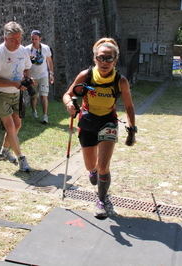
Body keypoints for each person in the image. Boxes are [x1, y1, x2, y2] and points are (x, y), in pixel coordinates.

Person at [63, 37, 137, 218]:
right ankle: (92, 171)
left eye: (109, 58)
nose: (104, 62)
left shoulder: (121, 81)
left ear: (115, 60)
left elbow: (128, 106)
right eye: (100, 58)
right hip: (88, 120)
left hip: (108, 121)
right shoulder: (85, 75)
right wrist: (69, 105)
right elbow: (68, 94)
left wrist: (132, 130)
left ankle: (102, 201)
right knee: (91, 166)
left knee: (103, 166)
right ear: (95, 58)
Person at [0, 21, 35, 172]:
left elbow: (27, 68)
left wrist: (27, 78)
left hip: (16, 93)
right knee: (10, 126)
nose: (17, 42)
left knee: (17, 125)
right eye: (13, 39)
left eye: (19, 38)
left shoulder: (22, 51)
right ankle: (21, 158)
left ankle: (4, 151)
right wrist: (14, 83)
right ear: (5, 38)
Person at [25, 30, 54, 124]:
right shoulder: (26, 49)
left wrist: (51, 74)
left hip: (43, 75)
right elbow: (24, 63)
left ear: (40, 39)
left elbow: (49, 61)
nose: (34, 41)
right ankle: (34, 111)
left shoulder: (46, 48)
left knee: (43, 95)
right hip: (32, 76)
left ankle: (45, 116)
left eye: (36, 39)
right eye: (32, 39)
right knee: (33, 96)